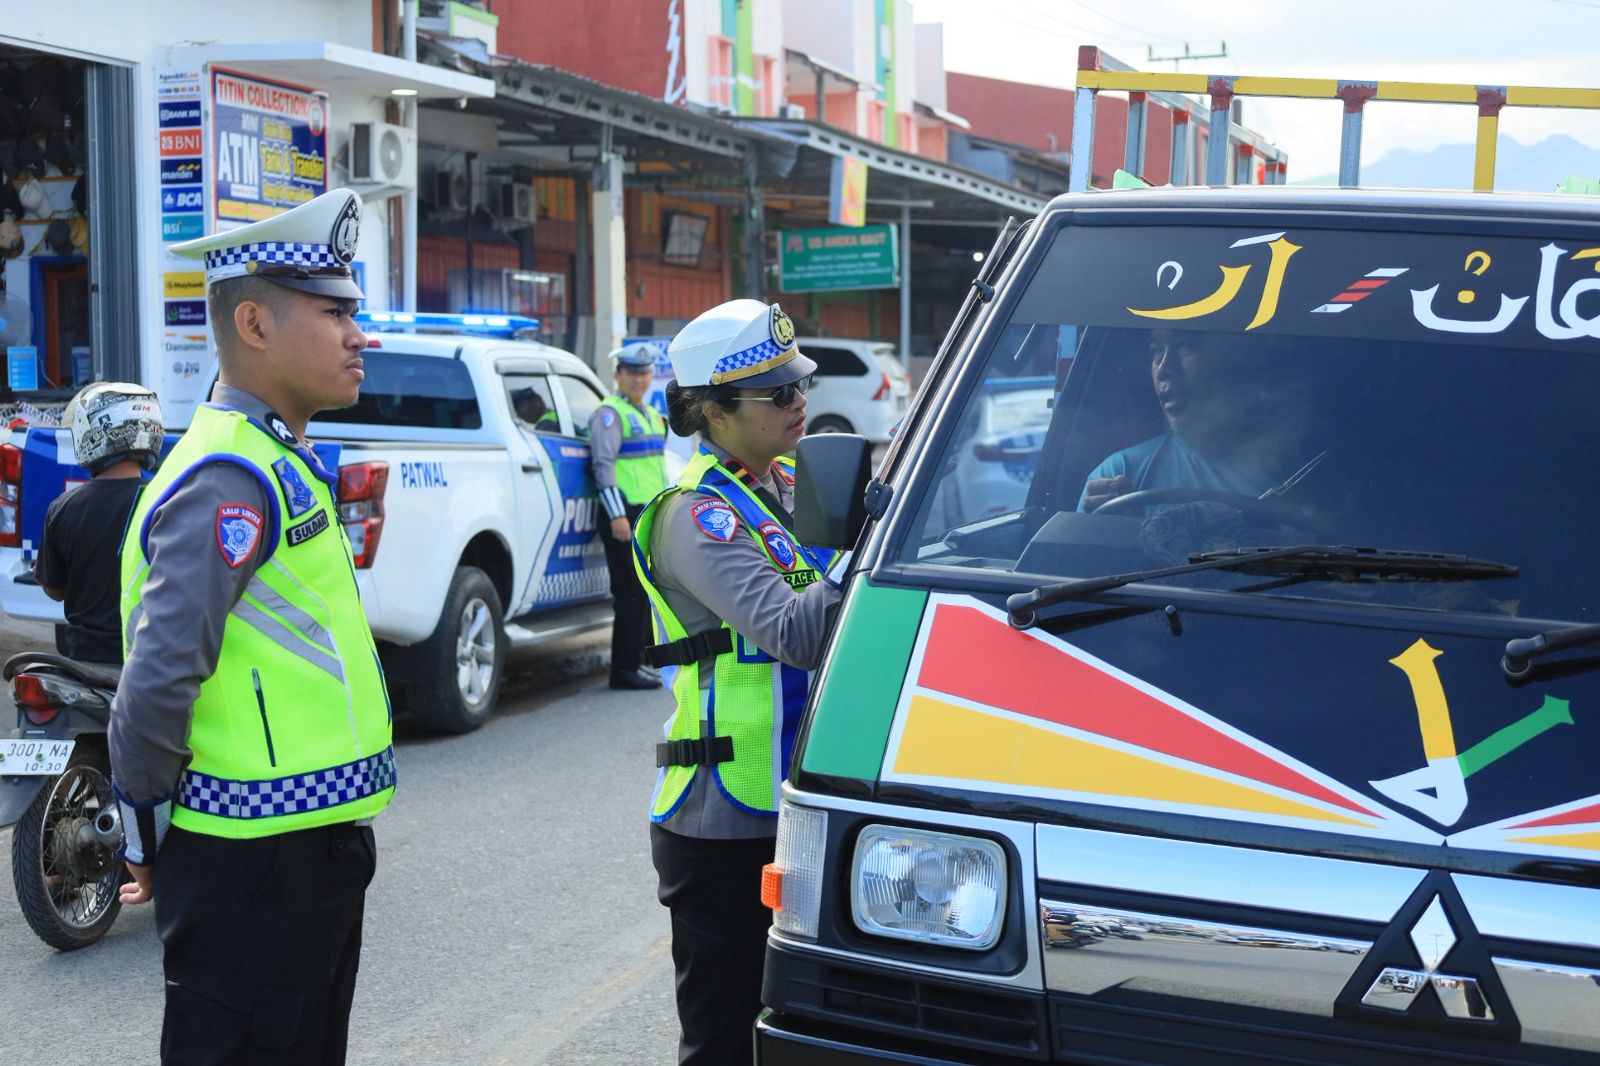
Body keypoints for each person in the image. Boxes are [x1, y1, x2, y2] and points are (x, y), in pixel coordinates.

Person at [108, 188, 394, 1065]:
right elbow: (156, 683)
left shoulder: (275, 457)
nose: (360, 334)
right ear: (255, 325)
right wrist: (145, 839)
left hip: (302, 854)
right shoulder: (229, 474)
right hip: (251, 864)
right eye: (335, 312)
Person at [633, 299, 843, 1066]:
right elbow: (793, 632)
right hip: (723, 817)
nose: (799, 403)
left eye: (799, 387)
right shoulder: (698, 516)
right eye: (778, 394)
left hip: (793, 800)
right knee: (724, 1039)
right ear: (715, 413)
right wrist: (862, 548)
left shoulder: (779, 488)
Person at [1079, 328, 1320, 512]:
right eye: (1156, 350)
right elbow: (1084, 575)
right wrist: (1117, 532)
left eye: (1184, 345)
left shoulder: (1305, 470)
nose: (1163, 368)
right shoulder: (1121, 474)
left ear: (1235, 359)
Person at [33, 382, 163, 664]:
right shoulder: (167, 503)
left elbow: (54, 591)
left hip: (85, 663)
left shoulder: (62, 508)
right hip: (149, 664)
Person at [589, 341, 669, 690]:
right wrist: (616, 515)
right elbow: (602, 467)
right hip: (623, 512)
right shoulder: (609, 414)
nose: (639, 380)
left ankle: (641, 659)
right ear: (618, 375)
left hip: (646, 512)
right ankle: (623, 670)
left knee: (644, 591)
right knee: (629, 593)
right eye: (632, 373)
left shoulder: (650, 414)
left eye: (644, 373)